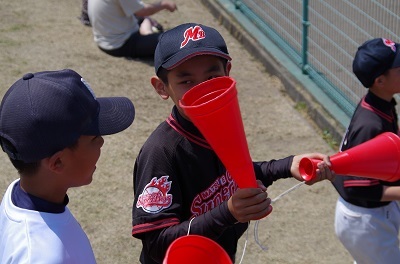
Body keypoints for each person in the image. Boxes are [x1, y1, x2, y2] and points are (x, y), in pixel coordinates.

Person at [131, 23, 335, 264]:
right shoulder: (161, 152)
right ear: (161, 87)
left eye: (212, 77)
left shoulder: (222, 121)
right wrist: (227, 213)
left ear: (227, 71)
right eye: (186, 81)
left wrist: (288, 165)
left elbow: (233, 175)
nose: (203, 90)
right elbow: (156, 244)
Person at [0, 69, 135, 263]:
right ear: (58, 162)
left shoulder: (19, 193)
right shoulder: (41, 256)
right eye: (95, 138)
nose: (102, 142)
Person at [332, 38, 400, 264]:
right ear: (380, 80)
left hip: (375, 213)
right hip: (363, 219)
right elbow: (361, 189)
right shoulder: (371, 125)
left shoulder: (381, 103)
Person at [88, 0, 177, 59]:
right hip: (120, 44)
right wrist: (164, 4)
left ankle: (148, 35)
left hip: (103, 40)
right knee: (171, 41)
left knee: (145, 19)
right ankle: (148, 37)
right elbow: (143, 11)